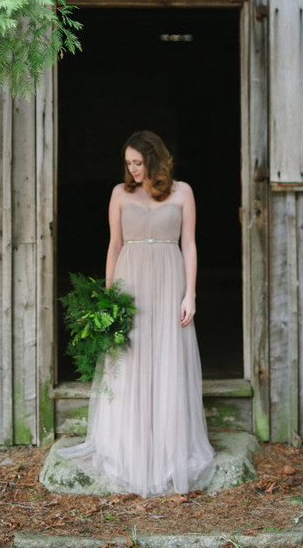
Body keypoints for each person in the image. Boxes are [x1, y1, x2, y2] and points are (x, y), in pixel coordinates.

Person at [58, 130, 215, 497]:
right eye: (128, 163)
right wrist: (108, 297)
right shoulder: (119, 193)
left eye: (138, 163)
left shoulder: (183, 192)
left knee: (165, 359)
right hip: (130, 286)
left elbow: (189, 245)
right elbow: (114, 246)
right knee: (130, 360)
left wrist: (189, 293)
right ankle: (127, 447)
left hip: (168, 283)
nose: (132, 170)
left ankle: (165, 448)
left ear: (155, 161)